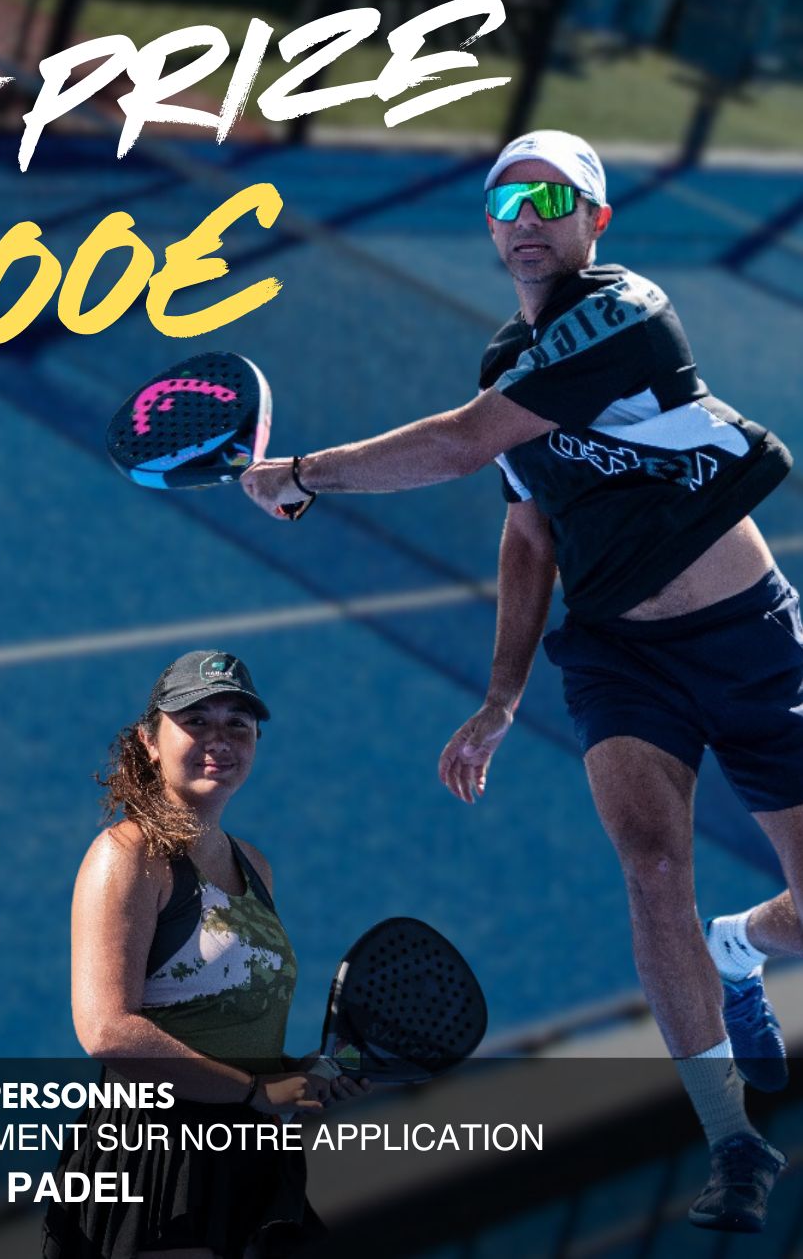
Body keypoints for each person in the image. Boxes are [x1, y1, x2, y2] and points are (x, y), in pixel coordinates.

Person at [240, 128, 796, 1235]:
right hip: (620, 657)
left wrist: (305, 473)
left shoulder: (623, 309)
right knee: (651, 864)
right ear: (490, 228)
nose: (527, 218)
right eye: (506, 202)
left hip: (745, 641)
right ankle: (731, 1137)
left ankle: (737, 944)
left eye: (553, 198)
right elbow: (528, 533)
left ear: (596, 220)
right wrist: (500, 697)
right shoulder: (507, 360)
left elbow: (461, 441)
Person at [44, 649, 356, 1259]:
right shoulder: (127, 856)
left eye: (238, 723)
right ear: (149, 742)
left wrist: (294, 1072)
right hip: (159, 1163)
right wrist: (254, 1092)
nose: (220, 739)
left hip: (243, 1152)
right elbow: (107, 1030)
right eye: (196, 721)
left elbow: (223, 1018)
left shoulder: (253, 863)